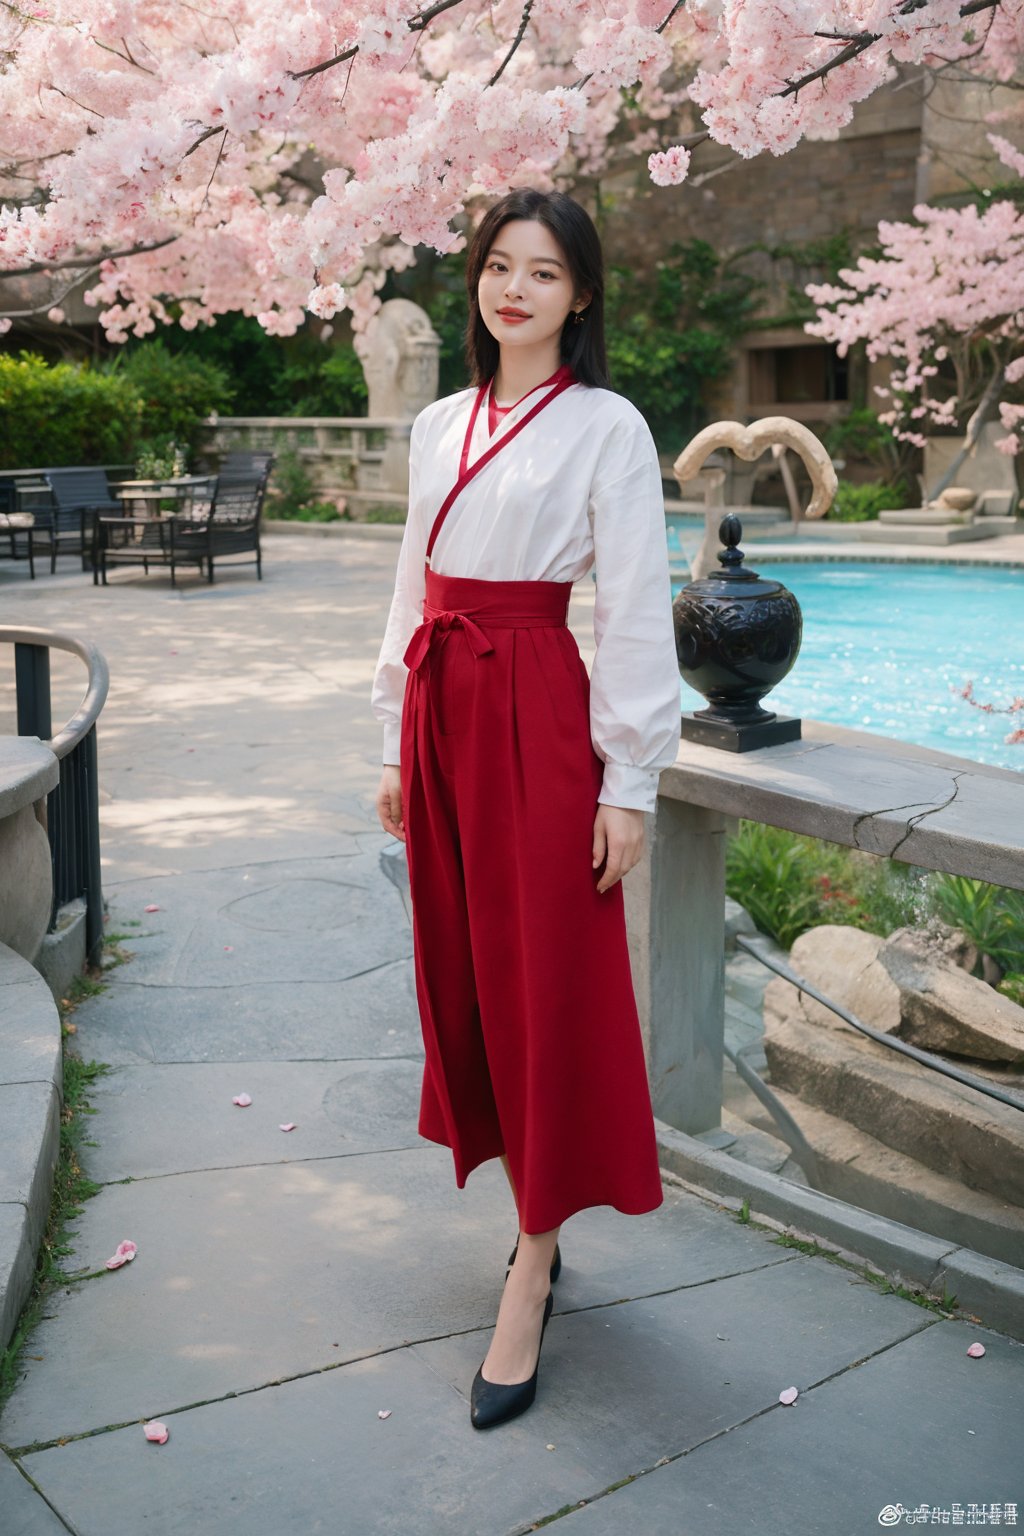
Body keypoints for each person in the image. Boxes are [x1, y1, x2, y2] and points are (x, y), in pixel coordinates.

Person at [371, 187, 681, 1429]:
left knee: (545, 976)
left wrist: (631, 784)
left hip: (542, 708)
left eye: (544, 273)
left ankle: (537, 1255)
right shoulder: (437, 421)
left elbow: (636, 610)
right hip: (442, 707)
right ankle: (522, 1209)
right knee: (465, 969)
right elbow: (410, 583)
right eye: (499, 266)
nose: (516, 290)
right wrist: (389, 739)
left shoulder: (608, 426)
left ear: (582, 293)